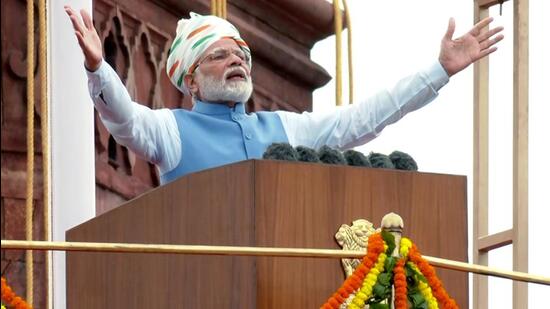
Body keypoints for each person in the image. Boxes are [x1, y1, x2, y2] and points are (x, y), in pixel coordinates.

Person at [64, 6, 504, 184]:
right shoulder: (172, 130)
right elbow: (125, 120)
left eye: (241, 53)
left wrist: (438, 71)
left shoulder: (284, 129)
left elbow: (365, 119)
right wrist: (97, 68)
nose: (236, 60)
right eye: (219, 55)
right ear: (192, 79)